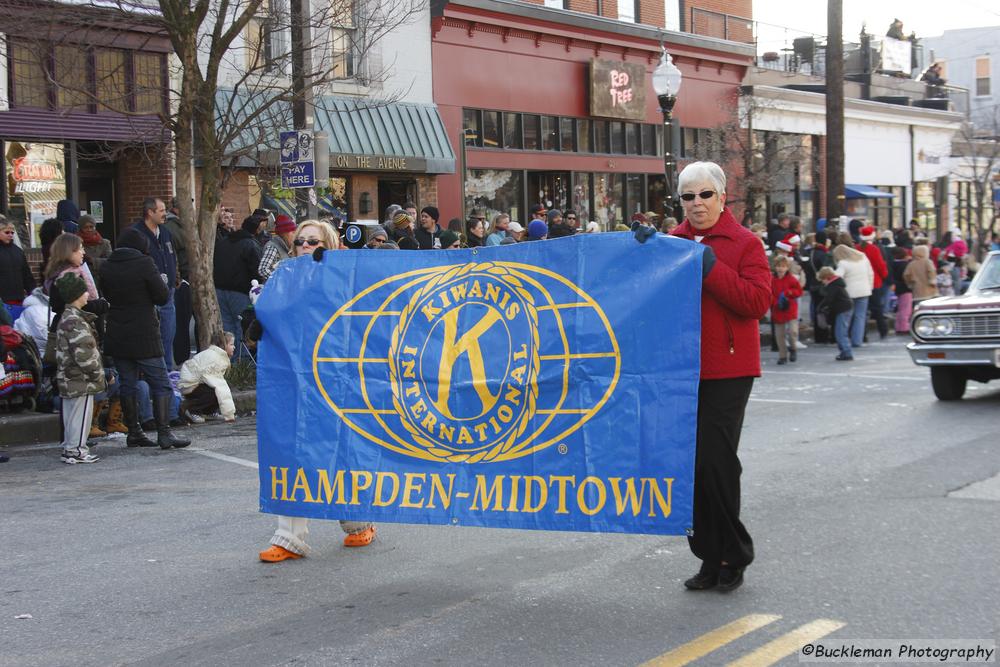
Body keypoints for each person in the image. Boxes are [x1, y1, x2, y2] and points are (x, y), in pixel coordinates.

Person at [665, 161, 771, 592]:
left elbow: (756, 302)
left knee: (716, 463)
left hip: (728, 370)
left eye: (704, 194)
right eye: (688, 196)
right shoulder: (671, 241)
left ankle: (735, 553)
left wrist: (708, 265)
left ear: (722, 196)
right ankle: (709, 555)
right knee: (689, 469)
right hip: (678, 372)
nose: (696, 204)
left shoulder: (746, 244)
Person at [258, 220, 375, 563]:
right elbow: (273, 317)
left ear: (330, 245)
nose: (305, 246)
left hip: (336, 377)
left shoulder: (345, 278)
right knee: (290, 448)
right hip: (293, 379)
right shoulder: (282, 280)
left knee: (340, 450)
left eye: (314, 242)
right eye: (300, 242)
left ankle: (358, 521)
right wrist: (260, 323)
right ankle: (289, 536)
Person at [101, 227, 190, 450]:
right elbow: (161, 296)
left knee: (128, 384)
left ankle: (134, 432)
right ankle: (164, 432)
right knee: (161, 383)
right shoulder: (144, 263)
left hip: (117, 332)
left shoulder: (106, 266)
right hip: (144, 332)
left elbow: (106, 295)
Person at [53, 273, 106, 464]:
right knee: (81, 416)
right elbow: (84, 353)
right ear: (76, 295)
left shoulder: (67, 318)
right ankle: (77, 450)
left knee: (71, 415)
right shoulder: (75, 321)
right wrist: (96, 373)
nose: (87, 295)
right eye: (84, 291)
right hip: (80, 378)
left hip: (69, 377)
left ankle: (70, 448)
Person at [133, 197, 180, 371]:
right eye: (161, 210)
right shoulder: (136, 234)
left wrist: (176, 276)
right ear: (150, 212)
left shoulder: (165, 232)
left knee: (168, 332)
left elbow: (171, 254)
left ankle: (167, 370)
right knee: (150, 336)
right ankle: (151, 373)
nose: (164, 213)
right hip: (147, 295)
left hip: (167, 293)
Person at [214, 215, 263, 360]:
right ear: (256, 231)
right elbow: (257, 270)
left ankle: (229, 362)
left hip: (219, 290)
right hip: (240, 292)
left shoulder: (223, 242)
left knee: (228, 329)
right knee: (242, 327)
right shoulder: (251, 245)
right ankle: (241, 364)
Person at [179, 331, 236, 423]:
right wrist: (229, 415)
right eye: (231, 344)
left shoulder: (215, 355)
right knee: (217, 391)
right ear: (223, 345)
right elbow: (219, 385)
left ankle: (208, 412)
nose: (234, 347)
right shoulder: (215, 359)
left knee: (218, 390)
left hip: (193, 383)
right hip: (191, 385)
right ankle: (192, 410)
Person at [833, 243, 874, 348]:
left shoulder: (843, 263)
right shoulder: (863, 258)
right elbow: (870, 273)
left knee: (846, 318)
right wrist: (870, 286)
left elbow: (837, 277)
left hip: (849, 293)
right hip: (864, 290)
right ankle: (857, 340)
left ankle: (844, 340)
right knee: (860, 316)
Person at [856, 226, 889, 341]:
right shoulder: (874, 249)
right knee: (877, 309)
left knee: (861, 311)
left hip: (860, 282)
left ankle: (862, 334)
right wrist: (885, 276)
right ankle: (883, 330)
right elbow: (880, 265)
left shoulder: (857, 248)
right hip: (875, 282)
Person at [770, 255, 803, 364]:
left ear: (787, 267)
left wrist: (789, 293)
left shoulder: (791, 279)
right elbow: (768, 294)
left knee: (793, 332)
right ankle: (782, 356)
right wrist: (775, 302)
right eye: (778, 266)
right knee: (779, 335)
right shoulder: (771, 280)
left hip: (790, 309)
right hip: (777, 309)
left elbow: (799, 292)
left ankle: (793, 348)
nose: (781, 269)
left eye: (783, 266)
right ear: (775, 267)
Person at [817, 266, 855, 361]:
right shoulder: (836, 284)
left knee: (840, 332)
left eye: (822, 279)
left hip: (843, 309)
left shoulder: (833, 286)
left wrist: (820, 307)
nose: (822, 282)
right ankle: (844, 352)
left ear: (827, 277)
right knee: (840, 331)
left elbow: (829, 299)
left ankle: (846, 352)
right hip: (845, 308)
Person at [1, 217, 35, 306]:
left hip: (18, 297)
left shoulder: (18, 251)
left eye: (12, 232)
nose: (10, 235)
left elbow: (26, 274)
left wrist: (33, 292)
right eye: (6, 232)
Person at [258, 214, 296, 281]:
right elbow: (263, 270)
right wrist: (282, 279)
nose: (295, 235)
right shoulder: (272, 247)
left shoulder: (287, 247)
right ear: (285, 234)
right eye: (293, 232)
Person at [77, 215, 112, 282]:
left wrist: (92, 261)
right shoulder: (77, 243)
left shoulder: (104, 243)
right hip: (83, 279)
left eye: (91, 227)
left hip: (102, 279)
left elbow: (110, 261)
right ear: (81, 228)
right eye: (85, 227)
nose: (89, 230)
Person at [891, 247, 913, 334]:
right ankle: (904, 328)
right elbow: (907, 277)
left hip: (898, 288)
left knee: (900, 309)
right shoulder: (905, 265)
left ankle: (898, 326)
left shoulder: (893, 264)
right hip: (905, 288)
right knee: (906, 309)